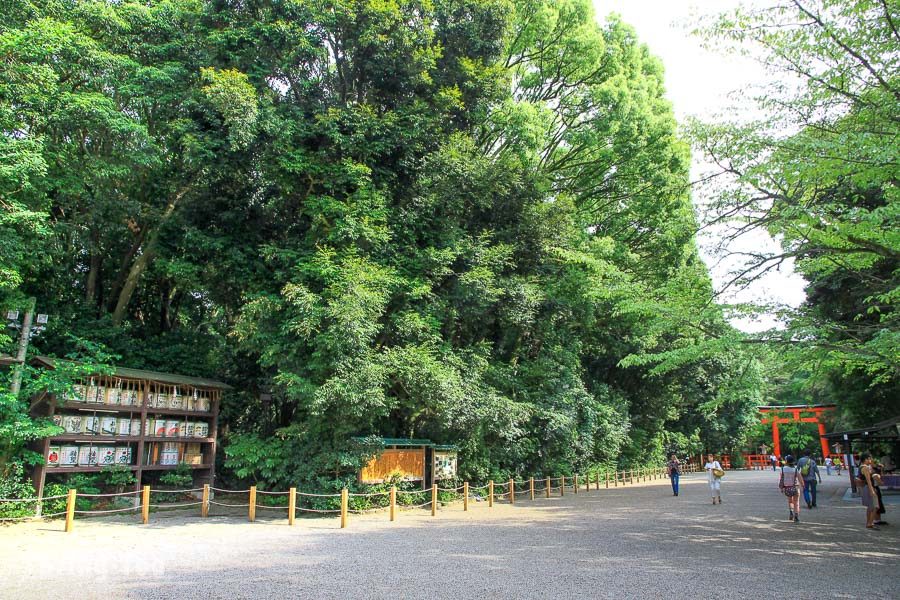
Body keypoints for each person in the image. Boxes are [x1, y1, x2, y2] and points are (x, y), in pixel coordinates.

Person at [779, 455, 804, 522]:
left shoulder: (782, 469)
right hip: (795, 487)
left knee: (790, 501)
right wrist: (803, 485)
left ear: (786, 461)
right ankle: (796, 516)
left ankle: (791, 512)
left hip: (787, 487)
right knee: (796, 502)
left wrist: (781, 488)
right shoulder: (795, 469)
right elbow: (800, 478)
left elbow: (781, 479)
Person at [857, 453, 879, 529]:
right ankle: (870, 523)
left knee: (870, 507)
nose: (870, 460)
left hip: (866, 488)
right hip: (869, 487)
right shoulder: (865, 467)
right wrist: (872, 490)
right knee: (875, 506)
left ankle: (869, 522)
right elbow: (868, 480)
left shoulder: (862, 467)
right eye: (869, 458)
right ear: (865, 459)